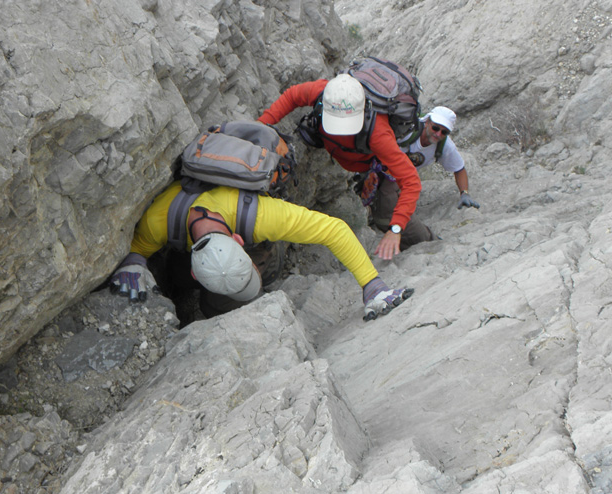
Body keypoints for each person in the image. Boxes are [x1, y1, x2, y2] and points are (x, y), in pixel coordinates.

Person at [110, 180, 414, 322]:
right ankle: (208, 303)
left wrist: (372, 285)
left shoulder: (263, 216)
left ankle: (255, 279)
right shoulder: (155, 222)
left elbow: (334, 229)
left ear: (242, 243)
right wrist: (134, 263)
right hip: (187, 250)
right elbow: (137, 248)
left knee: (240, 289)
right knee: (204, 293)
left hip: (244, 230)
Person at [257, 73, 422, 259]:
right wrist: (261, 126)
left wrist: (396, 228)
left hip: (378, 167)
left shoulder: (379, 133)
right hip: (352, 160)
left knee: (386, 213)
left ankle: (429, 241)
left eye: (346, 125)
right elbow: (293, 95)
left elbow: (411, 181)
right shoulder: (324, 93)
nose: (340, 131)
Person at [368, 106, 478, 234]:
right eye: (435, 128)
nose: (438, 134)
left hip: (399, 179)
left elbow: (459, 168)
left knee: (390, 199)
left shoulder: (445, 146)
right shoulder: (407, 130)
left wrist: (464, 193)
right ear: (427, 122)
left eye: (444, 132)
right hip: (376, 167)